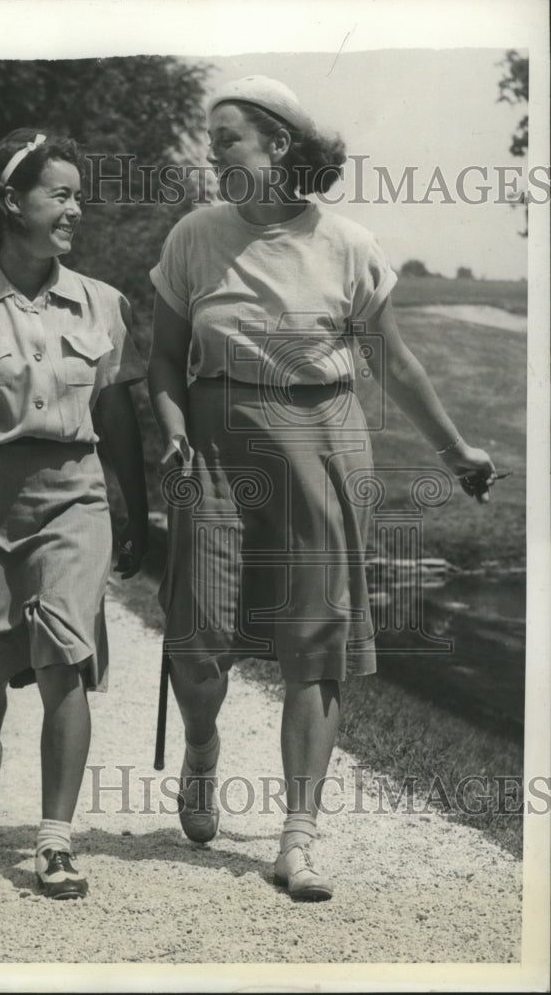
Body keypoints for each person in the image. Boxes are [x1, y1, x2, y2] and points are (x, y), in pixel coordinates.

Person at [148, 76, 497, 901]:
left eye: (227, 138)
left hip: (325, 444)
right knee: (199, 643)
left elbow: (394, 363)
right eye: (211, 139)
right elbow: (162, 357)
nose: (213, 152)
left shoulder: (346, 244)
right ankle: (202, 753)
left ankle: (296, 840)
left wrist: (455, 453)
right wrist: (169, 427)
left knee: (318, 642)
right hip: (216, 448)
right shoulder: (195, 238)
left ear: (279, 146)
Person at [0, 128, 148, 900]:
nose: (78, 208)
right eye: (61, 194)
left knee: (63, 660)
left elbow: (117, 413)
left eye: (80, 193)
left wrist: (134, 507)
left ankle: (54, 841)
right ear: (14, 202)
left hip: (74, 500)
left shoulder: (103, 303)